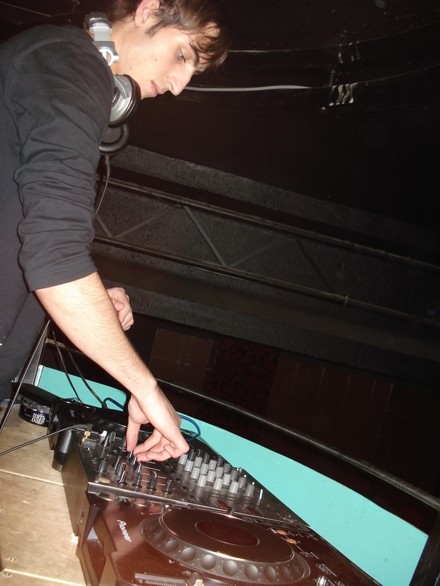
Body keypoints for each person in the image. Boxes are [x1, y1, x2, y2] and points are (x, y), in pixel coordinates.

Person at [0, 0, 231, 461]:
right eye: (183, 55)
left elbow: (27, 229)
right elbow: (55, 255)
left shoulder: (58, 65)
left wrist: (91, 296)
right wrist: (145, 387)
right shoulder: (70, 63)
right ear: (148, 10)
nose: (180, 85)